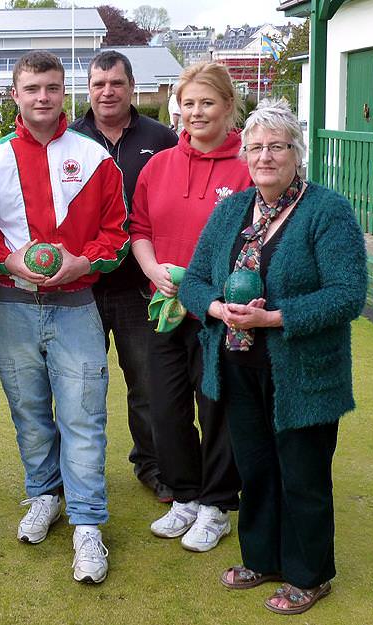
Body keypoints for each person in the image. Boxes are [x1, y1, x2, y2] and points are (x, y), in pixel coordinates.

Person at [179, 99, 367, 615]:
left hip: (303, 371)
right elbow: (194, 281)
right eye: (257, 146)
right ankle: (261, 558)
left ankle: (310, 575)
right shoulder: (230, 212)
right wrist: (216, 307)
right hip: (238, 367)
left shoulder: (327, 211)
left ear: (296, 154)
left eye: (278, 146)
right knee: (256, 468)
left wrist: (273, 319)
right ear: (245, 154)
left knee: (302, 474)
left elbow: (348, 294)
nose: (266, 156)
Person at [0, 51, 129, 584]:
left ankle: (88, 524)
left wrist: (82, 262)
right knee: (30, 414)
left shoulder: (93, 157)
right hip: (14, 305)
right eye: (32, 88)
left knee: (83, 416)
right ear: (14, 94)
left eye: (52, 87)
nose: (43, 97)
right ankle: (44, 495)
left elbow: (118, 231)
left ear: (63, 91)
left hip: (76, 306)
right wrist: (8, 260)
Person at [130, 62, 251, 553]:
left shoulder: (248, 163)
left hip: (218, 313)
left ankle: (217, 505)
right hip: (164, 307)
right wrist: (153, 268)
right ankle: (185, 494)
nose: (196, 112)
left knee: (216, 405)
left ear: (227, 106)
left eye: (207, 102)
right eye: (189, 103)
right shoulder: (159, 165)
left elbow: (257, 240)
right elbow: (139, 229)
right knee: (165, 405)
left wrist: (217, 290)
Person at [70, 50, 177, 501]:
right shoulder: (69, 138)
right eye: (98, 84)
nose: (107, 91)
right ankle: (75, 473)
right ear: (88, 89)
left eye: (116, 83)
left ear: (131, 87)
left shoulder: (163, 138)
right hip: (82, 285)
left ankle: (152, 465)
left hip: (139, 285)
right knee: (77, 387)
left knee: (147, 382)